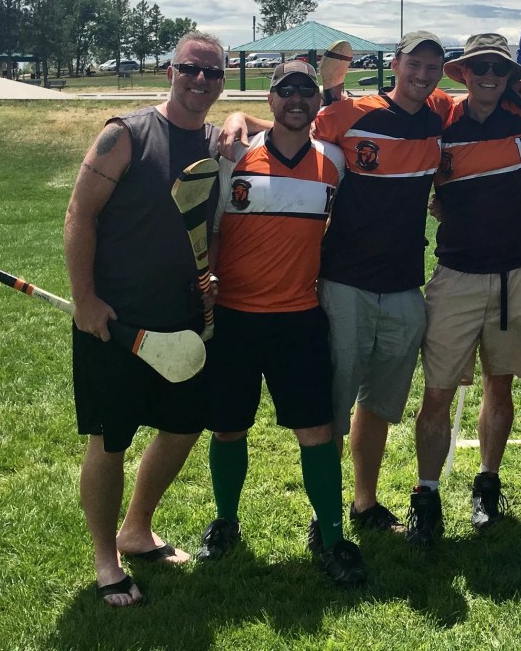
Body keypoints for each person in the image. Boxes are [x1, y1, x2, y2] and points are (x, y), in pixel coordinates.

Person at [220, 31, 452, 539]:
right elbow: (290, 123)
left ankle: (363, 502)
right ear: (396, 64)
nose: (422, 74)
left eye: (433, 66)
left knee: (381, 404)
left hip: (405, 286)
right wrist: (238, 119)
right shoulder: (351, 115)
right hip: (344, 282)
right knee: (332, 409)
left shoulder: (442, 117)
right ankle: (322, 517)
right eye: (414, 63)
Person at [64, 31, 226, 607]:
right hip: (115, 319)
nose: (199, 81)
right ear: (169, 71)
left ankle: (137, 529)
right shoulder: (125, 134)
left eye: (212, 74)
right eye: (190, 69)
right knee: (109, 441)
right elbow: (80, 214)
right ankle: (107, 560)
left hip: (185, 320)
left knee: (182, 428)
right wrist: (84, 300)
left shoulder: (214, 140)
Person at [196, 61, 365, 585]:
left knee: (316, 432)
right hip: (235, 318)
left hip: (299, 319)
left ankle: (333, 538)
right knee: (228, 428)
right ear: (270, 100)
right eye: (286, 91)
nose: (296, 99)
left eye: (305, 92)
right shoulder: (236, 156)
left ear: (317, 102)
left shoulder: (332, 162)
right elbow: (211, 226)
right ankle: (225, 522)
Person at [407, 34, 521, 546]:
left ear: (509, 74)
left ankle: (486, 484)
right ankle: (426, 494)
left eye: (498, 67)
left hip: (516, 272)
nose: (488, 74)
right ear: (464, 72)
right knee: (439, 391)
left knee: (500, 384)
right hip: (457, 274)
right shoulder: (442, 121)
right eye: (479, 66)